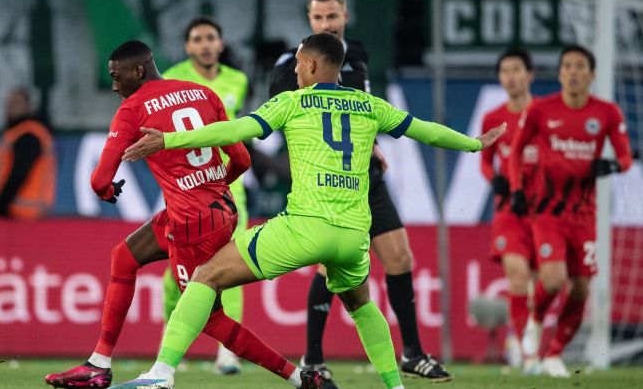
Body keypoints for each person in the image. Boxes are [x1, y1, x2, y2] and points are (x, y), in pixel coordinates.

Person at [114, 33, 507, 389]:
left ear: (315, 65)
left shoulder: (292, 103)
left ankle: (161, 375)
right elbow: (426, 130)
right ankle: (395, 387)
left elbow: (231, 132)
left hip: (304, 229)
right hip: (354, 237)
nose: (296, 69)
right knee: (361, 304)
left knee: (205, 277)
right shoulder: (370, 105)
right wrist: (473, 145)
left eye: (299, 62)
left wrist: (170, 139)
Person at [44, 40, 326, 389]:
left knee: (210, 318)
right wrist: (211, 184)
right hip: (220, 208)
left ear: (139, 70)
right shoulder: (202, 92)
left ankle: (299, 378)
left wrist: (107, 191)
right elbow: (242, 160)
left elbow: (100, 179)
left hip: (192, 223)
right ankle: (98, 364)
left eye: (117, 77)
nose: (115, 85)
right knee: (125, 256)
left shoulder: (132, 109)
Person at [269, 0, 451, 383]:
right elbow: (289, 121)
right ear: (309, 19)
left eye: (332, 16)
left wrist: (374, 146)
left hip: (367, 174)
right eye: (318, 17)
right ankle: (313, 359)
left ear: (345, 16)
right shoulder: (292, 65)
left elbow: (361, 113)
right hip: (330, 185)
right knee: (328, 267)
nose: (326, 23)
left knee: (400, 258)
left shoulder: (360, 56)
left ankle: (413, 354)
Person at [509, 45, 633, 377]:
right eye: (567, 66)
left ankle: (554, 354)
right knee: (553, 278)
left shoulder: (607, 113)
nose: (574, 72)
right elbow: (516, 151)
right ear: (560, 73)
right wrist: (517, 189)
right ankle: (535, 322)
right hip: (548, 211)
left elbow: (625, 157)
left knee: (580, 288)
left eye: (580, 66)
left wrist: (611, 164)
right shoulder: (540, 110)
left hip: (585, 215)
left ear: (592, 75)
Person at [161, 16, 249, 375]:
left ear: (221, 43)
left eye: (211, 37)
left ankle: (228, 353)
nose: (205, 44)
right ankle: (170, 346)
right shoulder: (169, 78)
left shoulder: (238, 80)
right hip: (187, 190)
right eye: (198, 38)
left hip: (229, 186)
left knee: (237, 265)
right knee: (174, 275)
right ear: (188, 46)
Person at [479, 48, 538, 371]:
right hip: (509, 212)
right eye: (504, 71)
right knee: (517, 276)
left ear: (530, 75)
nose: (510, 77)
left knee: (546, 283)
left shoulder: (544, 115)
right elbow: (485, 164)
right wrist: (496, 180)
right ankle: (525, 349)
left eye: (516, 70)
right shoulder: (493, 119)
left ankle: (528, 336)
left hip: (544, 211)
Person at [0, 88, 56, 219]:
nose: (11, 107)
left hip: (20, 214)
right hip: (22, 214)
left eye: (16, 102)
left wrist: (0, 205)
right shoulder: (17, 133)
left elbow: (20, 172)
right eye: (8, 103)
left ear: (29, 106)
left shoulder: (29, 134)